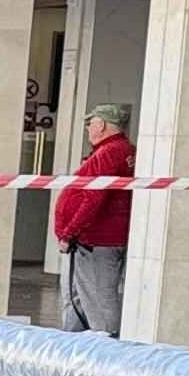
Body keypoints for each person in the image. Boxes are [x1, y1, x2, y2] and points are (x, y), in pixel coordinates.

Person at [56, 100, 136, 332]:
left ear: (101, 125)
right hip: (101, 239)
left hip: (97, 240)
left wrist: (69, 232)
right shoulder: (122, 151)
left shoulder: (109, 153)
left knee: (99, 300)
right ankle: (71, 346)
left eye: (90, 124)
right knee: (79, 298)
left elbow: (93, 198)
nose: (88, 129)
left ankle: (107, 351)